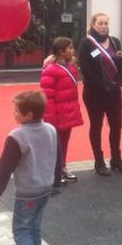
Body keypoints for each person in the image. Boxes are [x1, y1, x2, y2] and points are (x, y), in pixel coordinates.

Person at [0, 91, 61, 245]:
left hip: (27, 191)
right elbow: (58, 158)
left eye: (16, 111)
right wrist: (56, 183)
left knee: (20, 230)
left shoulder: (17, 136)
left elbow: (5, 167)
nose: (14, 114)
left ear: (28, 114)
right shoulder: (51, 130)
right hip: (45, 187)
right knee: (35, 227)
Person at [78, 13, 122, 176]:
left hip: (113, 92)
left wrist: (119, 82)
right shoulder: (86, 43)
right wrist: (103, 85)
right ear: (93, 25)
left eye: (106, 23)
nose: (103, 26)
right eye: (100, 23)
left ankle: (116, 160)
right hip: (94, 92)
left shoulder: (115, 42)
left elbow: (121, 65)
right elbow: (85, 68)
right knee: (96, 126)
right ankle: (99, 162)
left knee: (117, 126)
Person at [40, 37, 84, 184]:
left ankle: (62, 167)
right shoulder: (51, 69)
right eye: (69, 48)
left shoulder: (71, 67)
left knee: (64, 142)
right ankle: (53, 172)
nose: (73, 50)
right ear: (61, 51)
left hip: (68, 111)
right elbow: (47, 95)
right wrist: (50, 117)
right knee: (54, 145)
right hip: (57, 113)